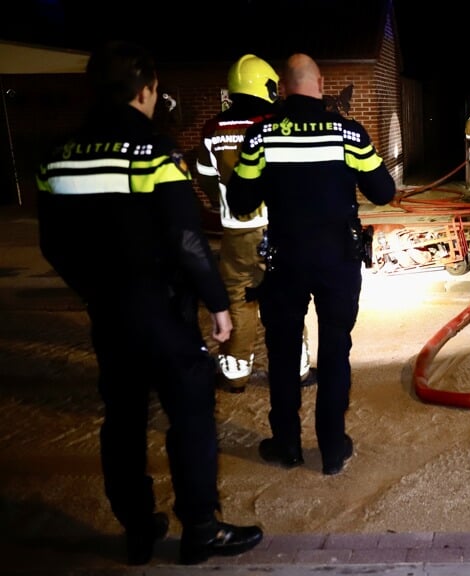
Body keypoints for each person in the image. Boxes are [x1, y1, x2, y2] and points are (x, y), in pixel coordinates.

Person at [35, 40, 263, 566]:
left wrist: (92, 288)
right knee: (190, 415)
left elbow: (53, 243)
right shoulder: (153, 153)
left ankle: (138, 529)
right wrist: (217, 303)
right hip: (161, 311)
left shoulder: (57, 155)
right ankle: (200, 528)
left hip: (108, 313)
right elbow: (186, 240)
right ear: (145, 90)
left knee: (122, 418)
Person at [227, 53, 396, 476]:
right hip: (338, 259)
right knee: (336, 350)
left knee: (283, 353)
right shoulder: (349, 134)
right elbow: (384, 192)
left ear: (282, 88)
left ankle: (286, 445)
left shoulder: (261, 136)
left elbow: (241, 200)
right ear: (321, 83)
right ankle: (333, 449)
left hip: (285, 260)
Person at [195, 54, 313, 394]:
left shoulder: (214, 129)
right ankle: (296, 369)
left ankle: (235, 373)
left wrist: (224, 206)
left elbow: (204, 176)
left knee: (239, 298)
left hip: (237, 232)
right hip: (281, 228)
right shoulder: (280, 123)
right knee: (288, 297)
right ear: (268, 86)